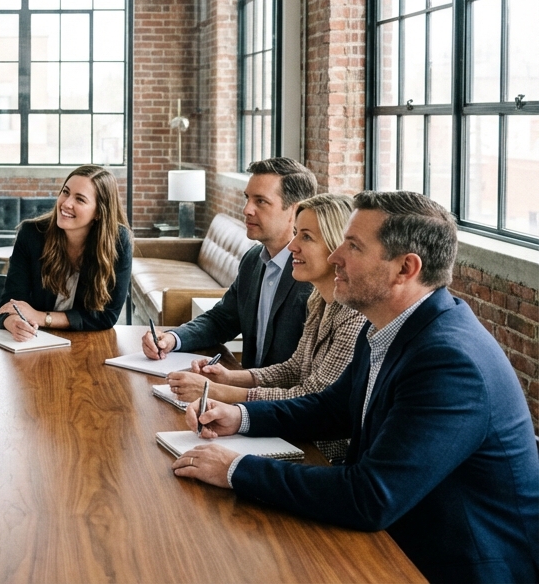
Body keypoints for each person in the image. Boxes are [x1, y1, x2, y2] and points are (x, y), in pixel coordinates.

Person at [173, 191, 539, 584]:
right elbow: (333, 408)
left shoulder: (450, 362)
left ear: (405, 269)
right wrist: (239, 417)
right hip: (392, 539)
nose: (334, 258)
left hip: (448, 565)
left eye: (353, 246)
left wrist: (236, 468)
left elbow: (370, 496)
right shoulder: (386, 323)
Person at [166, 193, 364, 463]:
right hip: (291, 433)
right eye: (296, 234)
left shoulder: (355, 314)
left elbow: (314, 397)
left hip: (321, 453)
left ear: (336, 246)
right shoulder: (320, 299)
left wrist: (217, 391)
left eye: (305, 237)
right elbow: (293, 368)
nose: (292, 245)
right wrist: (227, 377)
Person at [142, 157, 316, 368]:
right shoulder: (253, 259)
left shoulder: (312, 275)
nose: (247, 209)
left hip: (280, 397)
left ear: (294, 212)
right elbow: (221, 320)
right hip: (246, 391)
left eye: (260, 201)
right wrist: (172, 339)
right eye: (247, 198)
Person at [0, 165, 131, 339]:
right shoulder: (31, 234)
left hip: (87, 341)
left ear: (99, 212)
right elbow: (11, 302)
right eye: (65, 192)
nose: (66, 203)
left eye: (80, 199)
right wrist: (12, 321)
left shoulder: (117, 242)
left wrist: (43, 317)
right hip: (36, 340)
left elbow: (106, 316)